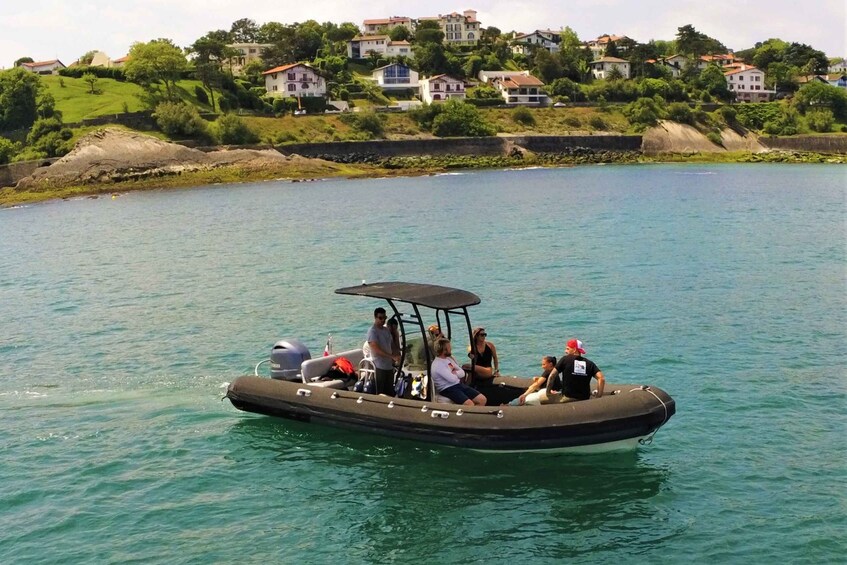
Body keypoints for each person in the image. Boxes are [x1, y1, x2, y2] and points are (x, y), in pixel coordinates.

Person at [431, 337, 486, 406]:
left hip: (457, 385)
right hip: (447, 389)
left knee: (482, 399)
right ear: (444, 350)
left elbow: (462, 373)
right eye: (449, 347)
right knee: (470, 404)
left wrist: (455, 373)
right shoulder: (438, 365)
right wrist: (455, 373)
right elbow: (452, 379)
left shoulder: (448, 360)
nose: (451, 349)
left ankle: (475, 416)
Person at [366, 307, 400, 395]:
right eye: (380, 318)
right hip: (379, 366)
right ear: (375, 318)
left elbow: (392, 344)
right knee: (381, 392)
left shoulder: (386, 330)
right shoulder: (372, 332)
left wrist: (397, 353)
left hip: (388, 366)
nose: (383, 320)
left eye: (384, 318)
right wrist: (391, 356)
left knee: (390, 391)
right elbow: (376, 349)